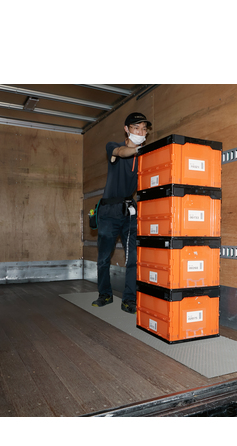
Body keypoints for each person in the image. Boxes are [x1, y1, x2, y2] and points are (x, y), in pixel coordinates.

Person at [92, 112, 152, 313]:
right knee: (103, 258)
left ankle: (129, 300)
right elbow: (122, 152)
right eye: (136, 128)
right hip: (109, 210)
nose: (140, 132)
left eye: (144, 129)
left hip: (129, 211)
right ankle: (105, 294)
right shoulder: (113, 146)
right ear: (127, 129)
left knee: (133, 258)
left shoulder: (144, 156)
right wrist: (137, 150)